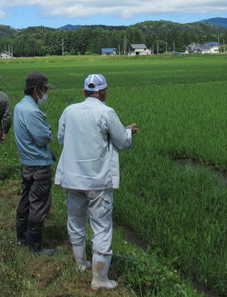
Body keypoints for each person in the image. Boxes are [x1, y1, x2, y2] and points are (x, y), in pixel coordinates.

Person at [54, 74, 138, 290]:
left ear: (84, 91)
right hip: (98, 180)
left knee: (76, 220)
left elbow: (62, 138)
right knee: (101, 226)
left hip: (73, 177)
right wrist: (129, 132)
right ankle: (100, 278)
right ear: (104, 91)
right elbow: (122, 141)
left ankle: (81, 263)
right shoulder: (106, 112)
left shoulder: (69, 111)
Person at [13, 71, 55, 254]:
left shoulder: (20, 106)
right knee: (38, 202)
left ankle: (21, 237)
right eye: (45, 89)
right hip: (38, 163)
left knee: (26, 199)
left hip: (26, 161)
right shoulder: (32, 111)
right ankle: (35, 246)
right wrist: (49, 130)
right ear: (37, 89)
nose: (46, 93)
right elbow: (44, 137)